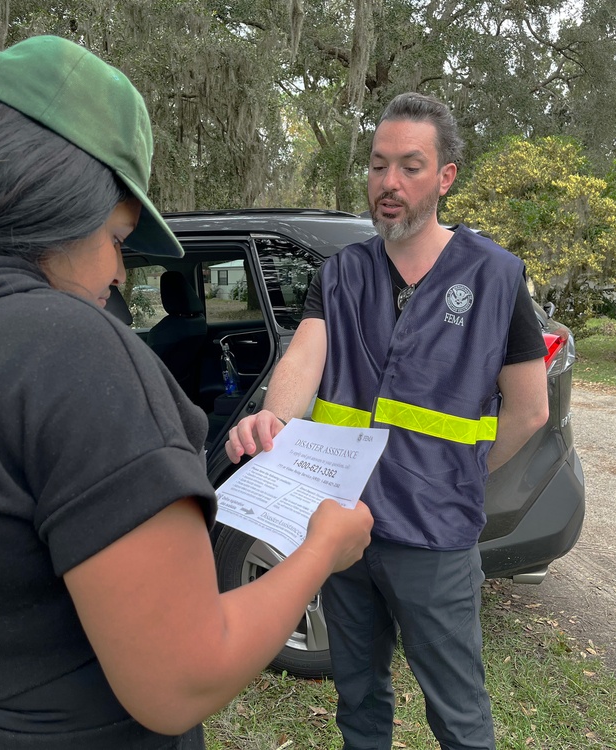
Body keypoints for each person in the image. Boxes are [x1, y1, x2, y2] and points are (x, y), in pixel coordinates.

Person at [0, 35, 373, 750]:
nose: (120, 273)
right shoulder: (70, 351)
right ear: (54, 202)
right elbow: (180, 681)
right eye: (119, 237)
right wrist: (321, 550)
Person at [225, 92, 550, 750]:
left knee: (457, 711)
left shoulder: (496, 278)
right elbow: (304, 357)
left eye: (409, 166)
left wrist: (457, 476)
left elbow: (530, 409)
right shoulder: (341, 275)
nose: (389, 184)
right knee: (358, 692)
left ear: (445, 177)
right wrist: (271, 421)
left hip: (435, 540)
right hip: (344, 530)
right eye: (378, 167)